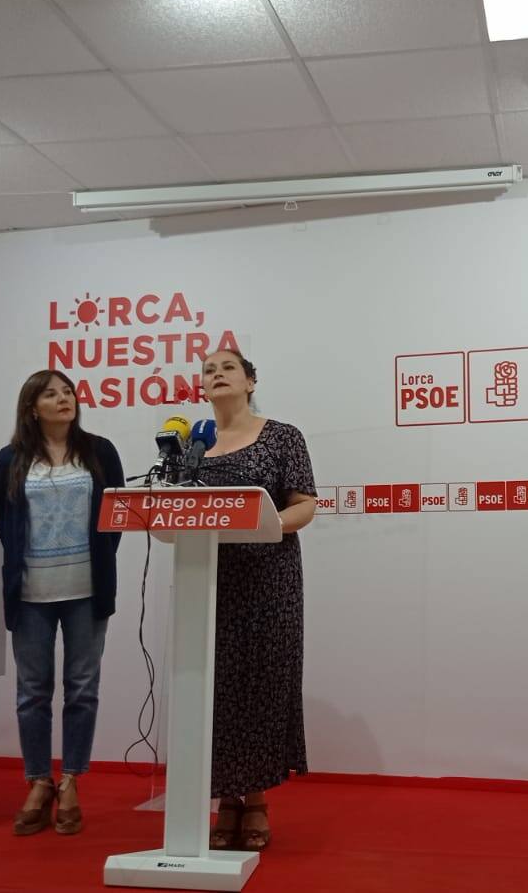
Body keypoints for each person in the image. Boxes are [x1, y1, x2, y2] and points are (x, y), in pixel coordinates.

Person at [0, 369, 124, 836]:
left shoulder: (100, 451)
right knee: (32, 692)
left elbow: (114, 518)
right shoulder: (10, 459)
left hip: (87, 589)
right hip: (30, 593)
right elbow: (3, 521)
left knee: (82, 689)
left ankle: (70, 780)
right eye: (51, 394)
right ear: (33, 408)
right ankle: (38, 781)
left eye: (68, 391)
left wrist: (96, 563)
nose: (64, 399)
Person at [198, 348, 317, 852]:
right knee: (217, 688)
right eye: (209, 370)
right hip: (209, 581)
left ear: (250, 381)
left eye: (228, 367)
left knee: (261, 685)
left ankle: (257, 799)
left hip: (270, 579)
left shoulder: (283, 436)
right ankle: (226, 801)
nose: (217, 374)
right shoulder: (192, 447)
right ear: (202, 388)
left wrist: (260, 525)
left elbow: (304, 505)